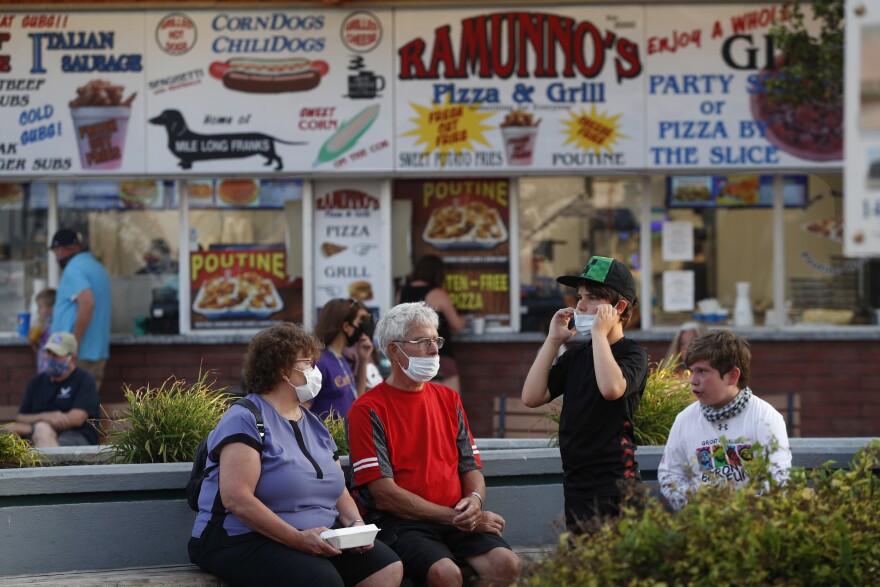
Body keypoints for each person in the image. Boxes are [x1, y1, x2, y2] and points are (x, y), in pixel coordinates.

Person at [188, 323, 403, 587]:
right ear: (283, 370)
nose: (315, 371)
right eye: (307, 363)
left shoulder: (314, 424)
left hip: (317, 536)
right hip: (240, 538)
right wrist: (297, 539)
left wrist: (356, 526)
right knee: (321, 579)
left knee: (386, 567)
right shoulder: (244, 418)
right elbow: (236, 499)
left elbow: (338, 490)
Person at [348, 302, 521, 587]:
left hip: (455, 517)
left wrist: (474, 503)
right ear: (394, 350)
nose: (434, 350)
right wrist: (459, 518)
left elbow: (470, 466)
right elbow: (384, 494)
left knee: (507, 565)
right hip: (402, 523)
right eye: (422, 341)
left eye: (435, 340)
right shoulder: (367, 409)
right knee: (445, 574)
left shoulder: (448, 398)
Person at [521, 255, 649, 534]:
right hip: (577, 481)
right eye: (579, 297)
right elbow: (532, 396)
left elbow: (612, 388)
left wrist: (601, 336)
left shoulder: (633, 354)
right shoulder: (577, 356)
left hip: (616, 482)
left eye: (592, 298)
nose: (579, 305)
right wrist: (553, 341)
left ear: (619, 307)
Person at [657, 330, 792, 511]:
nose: (693, 381)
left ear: (732, 376)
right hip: (700, 524)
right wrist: (697, 508)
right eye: (691, 372)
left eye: (702, 372)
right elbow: (671, 474)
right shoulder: (685, 419)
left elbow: (778, 479)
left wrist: (741, 511)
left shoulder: (765, 417)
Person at [1, 332, 100, 447]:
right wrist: (45, 418)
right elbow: (21, 417)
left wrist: (32, 426)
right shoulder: (36, 382)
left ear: (72, 357)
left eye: (56, 355)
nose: (50, 358)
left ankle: (52, 464)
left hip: (75, 437)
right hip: (35, 435)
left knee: (42, 430)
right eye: (48, 353)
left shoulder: (84, 380)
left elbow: (76, 418)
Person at [49, 229, 111, 391]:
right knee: (87, 406)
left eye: (56, 251)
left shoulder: (74, 269)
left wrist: (72, 345)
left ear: (60, 249)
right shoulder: (96, 267)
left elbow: (87, 302)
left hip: (76, 354)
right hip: (96, 351)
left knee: (70, 409)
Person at [397, 255, 465, 392]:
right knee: (449, 404)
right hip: (438, 353)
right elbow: (456, 325)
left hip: (410, 355)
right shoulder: (437, 293)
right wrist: (465, 319)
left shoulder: (402, 292)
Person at [311, 298, 376, 419]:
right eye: (359, 321)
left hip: (343, 436)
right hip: (326, 437)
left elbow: (357, 399)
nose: (362, 327)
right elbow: (301, 410)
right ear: (346, 326)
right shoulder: (320, 363)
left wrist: (363, 360)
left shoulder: (340, 358)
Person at [28, 288, 56, 375]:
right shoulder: (43, 324)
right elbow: (39, 348)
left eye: (40, 307)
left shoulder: (55, 327)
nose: (37, 311)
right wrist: (33, 340)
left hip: (52, 369)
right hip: (42, 367)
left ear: (51, 308)